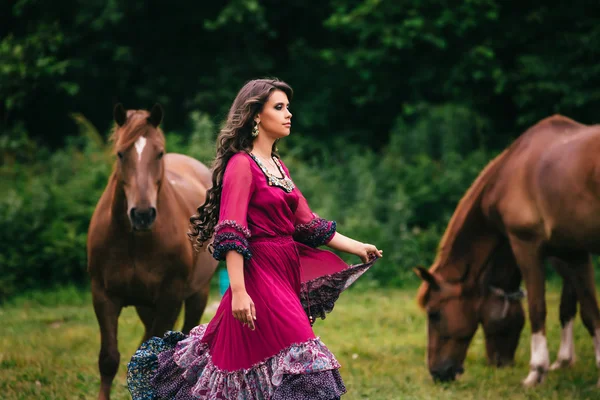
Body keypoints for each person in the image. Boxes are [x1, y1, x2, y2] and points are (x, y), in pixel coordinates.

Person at [127, 78, 382, 399]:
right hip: (257, 276)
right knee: (309, 368)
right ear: (256, 116)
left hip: (284, 274)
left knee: (266, 364)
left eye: (288, 107)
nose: (289, 114)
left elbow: (308, 224)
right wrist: (238, 292)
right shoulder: (241, 165)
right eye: (279, 107)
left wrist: (358, 247)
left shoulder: (277, 166)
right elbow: (232, 230)